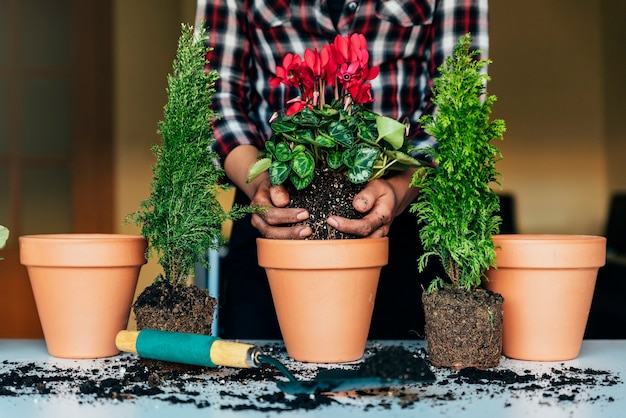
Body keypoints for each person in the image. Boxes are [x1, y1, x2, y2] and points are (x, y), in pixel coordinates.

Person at [195, 0, 490, 339]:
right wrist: (260, 185)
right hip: (270, 210)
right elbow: (215, 96)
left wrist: (399, 185)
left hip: (409, 214)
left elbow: (459, 98)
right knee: (261, 373)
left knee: (405, 377)